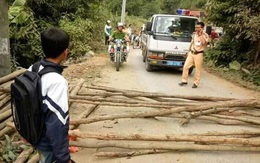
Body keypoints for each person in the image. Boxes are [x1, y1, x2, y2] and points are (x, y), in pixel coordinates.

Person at [31, 27, 73, 163]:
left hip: (35, 136)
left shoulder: (34, 68)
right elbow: (57, 124)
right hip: (48, 143)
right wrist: (64, 158)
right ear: (65, 52)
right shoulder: (57, 82)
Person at [179, 22, 209, 88]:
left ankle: (196, 83)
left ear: (202, 28)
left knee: (198, 69)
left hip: (199, 54)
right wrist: (188, 51)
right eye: (196, 27)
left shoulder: (205, 35)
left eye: (198, 27)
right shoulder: (194, 34)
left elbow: (204, 42)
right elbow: (192, 43)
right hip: (191, 53)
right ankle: (184, 81)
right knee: (186, 66)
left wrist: (200, 35)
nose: (196, 29)